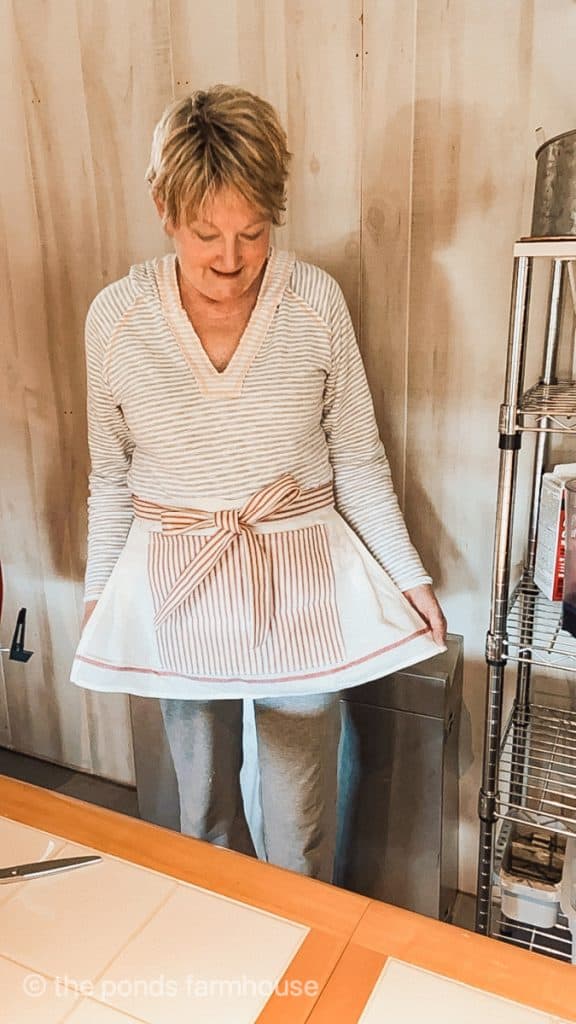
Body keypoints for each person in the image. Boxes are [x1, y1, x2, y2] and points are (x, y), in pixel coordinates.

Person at [71, 84, 447, 883]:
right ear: (164, 209)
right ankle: (226, 959)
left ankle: (296, 975)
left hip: (301, 572)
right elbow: (110, 475)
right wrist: (99, 593)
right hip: (179, 574)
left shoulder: (314, 303)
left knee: (298, 822)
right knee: (202, 812)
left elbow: (357, 457)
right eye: (206, 234)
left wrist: (407, 573)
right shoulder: (116, 319)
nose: (232, 260)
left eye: (253, 232)